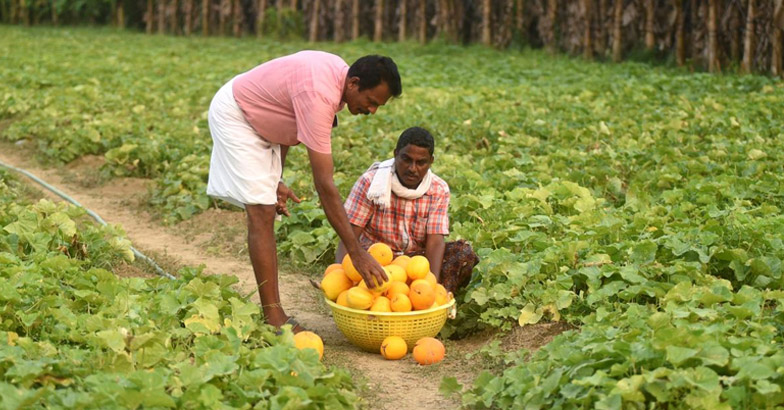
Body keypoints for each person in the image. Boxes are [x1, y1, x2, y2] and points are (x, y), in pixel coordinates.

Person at [206, 51, 402, 332]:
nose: (372, 111)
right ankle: (274, 318)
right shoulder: (320, 94)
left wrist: (276, 178)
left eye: (378, 106)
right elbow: (325, 184)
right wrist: (356, 251)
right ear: (354, 83)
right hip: (238, 114)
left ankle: (273, 313)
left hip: (262, 116)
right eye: (371, 102)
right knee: (261, 213)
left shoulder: (337, 76)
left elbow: (286, 117)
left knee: (266, 203)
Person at [336, 127, 478, 294]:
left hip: (414, 263)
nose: (412, 168)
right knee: (365, 275)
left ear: (431, 161)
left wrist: (429, 285)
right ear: (396, 154)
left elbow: (435, 241)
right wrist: (340, 276)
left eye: (421, 162)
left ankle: (435, 298)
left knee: (463, 254)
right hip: (376, 260)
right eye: (406, 159)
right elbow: (350, 234)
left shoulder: (438, 189)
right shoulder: (372, 183)